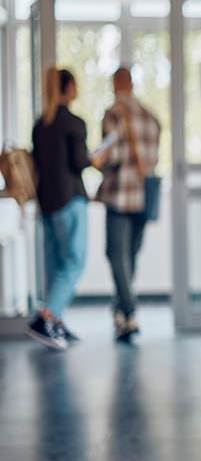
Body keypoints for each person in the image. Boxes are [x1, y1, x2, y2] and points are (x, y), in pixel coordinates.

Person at [26, 67, 100, 350]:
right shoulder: (74, 123)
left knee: (56, 265)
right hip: (70, 200)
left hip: (46, 203)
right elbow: (80, 162)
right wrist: (98, 158)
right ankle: (46, 318)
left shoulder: (40, 124)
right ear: (68, 89)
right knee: (73, 263)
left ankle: (55, 322)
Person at [95, 67, 160, 342]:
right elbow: (154, 157)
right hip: (143, 197)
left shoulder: (114, 114)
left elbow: (113, 156)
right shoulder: (150, 117)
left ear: (117, 84)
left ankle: (129, 311)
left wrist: (98, 160)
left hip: (120, 195)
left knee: (115, 254)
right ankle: (122, 310)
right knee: (130, 255)